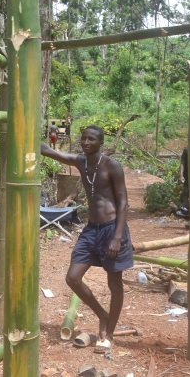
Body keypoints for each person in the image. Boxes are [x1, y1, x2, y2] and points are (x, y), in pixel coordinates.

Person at [41, 125, 132, 353]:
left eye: (91, 139)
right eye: (83, 139)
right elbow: (50, 151)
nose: (86, 142)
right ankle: (102, 314)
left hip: (112, 229)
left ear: (101, 143)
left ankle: (108, 333)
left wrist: (117, 238)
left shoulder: (112, 166)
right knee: (72, 278)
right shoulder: (81, 162)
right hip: (91, 229)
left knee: (114, 284)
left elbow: (123, 203)